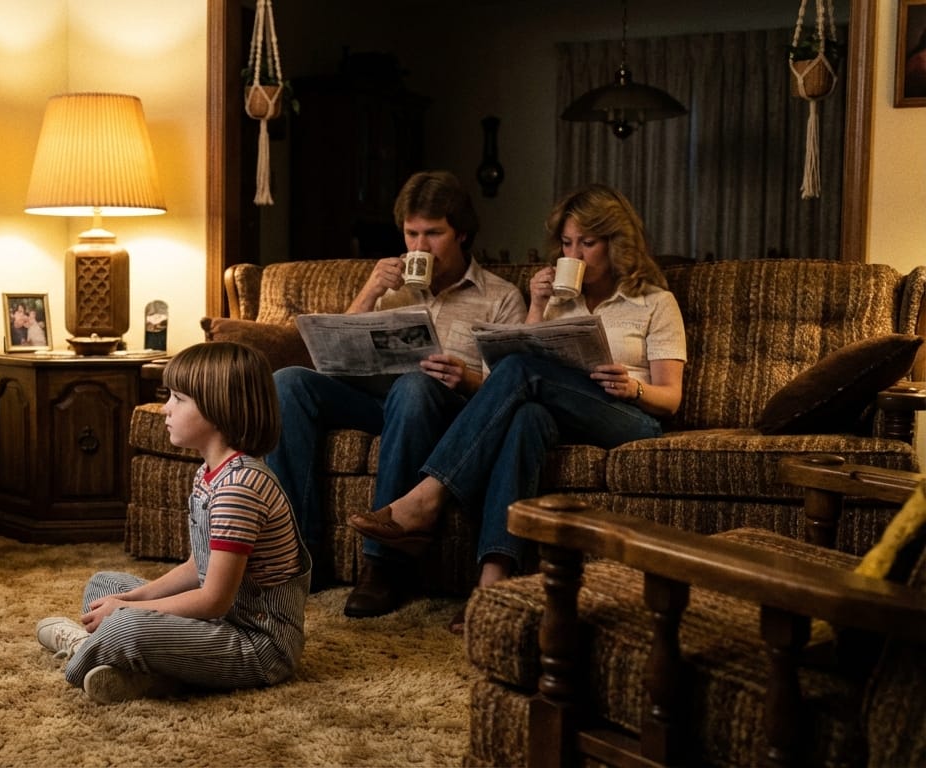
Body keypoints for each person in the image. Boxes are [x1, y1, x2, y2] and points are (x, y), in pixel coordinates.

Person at [349, 183, 687, 633]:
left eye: (587, 243)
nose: (576, 254)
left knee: (521, 370)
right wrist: (540, 308)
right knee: (525, 416)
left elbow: (671, 397)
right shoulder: (560, 298)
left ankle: (427, 496)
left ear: (616, 243)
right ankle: (492, 584)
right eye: (567, 244)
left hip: (628, 416)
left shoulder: (655, 301)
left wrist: (633, 387)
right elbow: (519, 357)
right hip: (559, 412)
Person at [266, 170, 527, 619]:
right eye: (411, 234)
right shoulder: (391, 288)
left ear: (462, 234)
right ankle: (296, 554)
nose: (420, 247)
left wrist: (463, 376)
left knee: (415, 384)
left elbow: (504, 392)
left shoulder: (502, 299)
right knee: (288, 381)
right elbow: (333, 357)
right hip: (379, 400)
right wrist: (370, 290)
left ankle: (382, 565)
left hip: (449, 410)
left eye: (433, 234)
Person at [33, 341, 311, 704]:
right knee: (103, 586)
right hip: (220, 625)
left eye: (178, 399)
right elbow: (200, 567)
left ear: (218, 407)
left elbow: (213, 600)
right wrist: (129, 597)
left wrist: (129, 612)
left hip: (257, 645)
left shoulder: (240, 487)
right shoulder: (209, 474)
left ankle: (84, 651)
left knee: (124, 624)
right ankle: (148, 676)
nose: (165, 408)